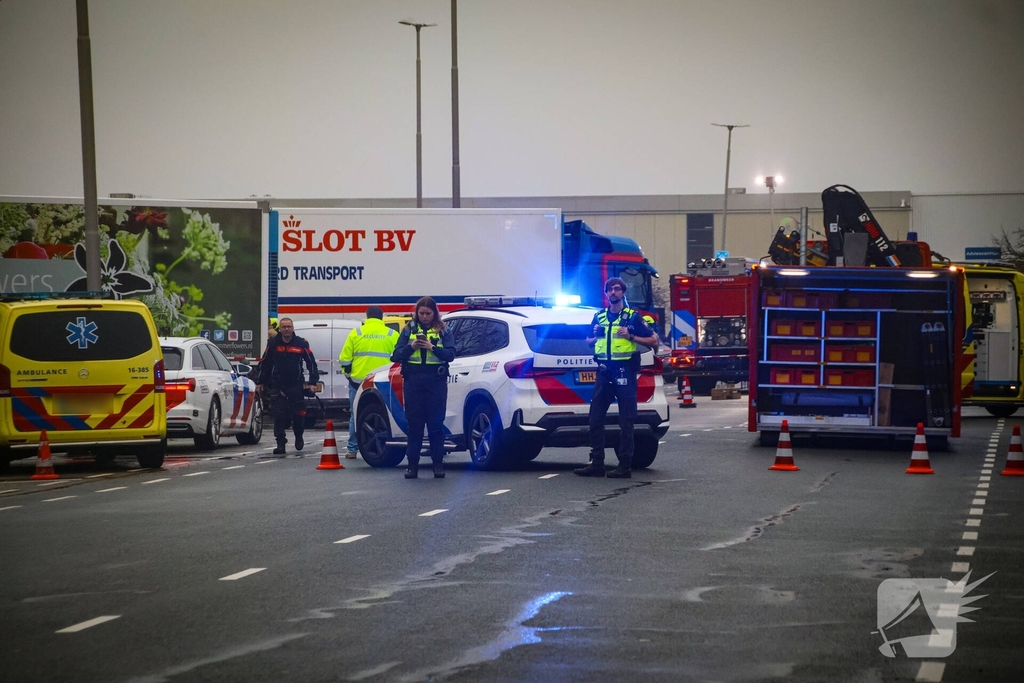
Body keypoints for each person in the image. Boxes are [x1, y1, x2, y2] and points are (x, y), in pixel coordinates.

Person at [575, 277, 659, 479]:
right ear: (606, 294)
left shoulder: (632, 317)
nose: (613, 292)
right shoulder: (599, 317)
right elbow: (588, 341)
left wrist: (631, 336)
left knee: (626, 420)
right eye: (610, 289)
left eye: (617, 289)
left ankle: (624, 466)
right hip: (604, 372)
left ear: (623, 293)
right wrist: (595, 335)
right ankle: (597, 464)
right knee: (595, 418)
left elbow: (654, 341)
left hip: (624, 372)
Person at [391, 296, 456, 479]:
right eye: (421, 313)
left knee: (436, 425)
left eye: (428, 313)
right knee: (415, 426)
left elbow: (451, 354)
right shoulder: (408, 330)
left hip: (436, 381)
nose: (425, 317)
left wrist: (432, 347)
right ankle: (412, 466)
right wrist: (411, 347)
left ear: (434, 313)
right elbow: (395, 355)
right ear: (416, 313)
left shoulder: (444, 330)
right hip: (413, 381)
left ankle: (438, 465)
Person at [339, 306, 399, 458]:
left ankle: (352, 450)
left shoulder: (356, 333)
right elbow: (399, 358)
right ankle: (389, 444)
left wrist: (348, 374)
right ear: (382, 317)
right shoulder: (392, 334)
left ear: (367, 316)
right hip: (384, 381)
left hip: (359, 381)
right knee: (387, 414)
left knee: (356, 415)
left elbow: (345, 359)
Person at [255, 317, 320, 455]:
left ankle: (298, 436)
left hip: (295, 385)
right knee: (278, 415)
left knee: (298, 414)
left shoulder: (301, 343)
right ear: (280, 329)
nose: (286, 329)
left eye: (289, 327)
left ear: (292, 328)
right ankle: (280, 443)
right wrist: (260, 382)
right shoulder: (273, 343)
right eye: (283, 327)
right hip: (278, 385)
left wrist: (313, 382)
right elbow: (265, 363)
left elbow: (311, 363)